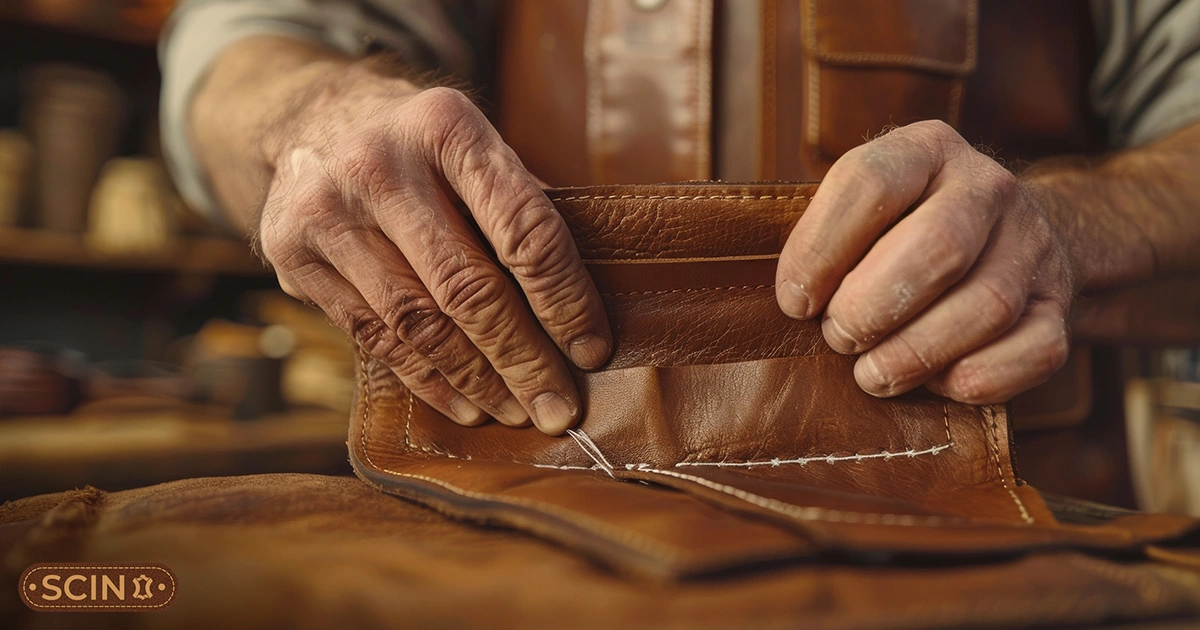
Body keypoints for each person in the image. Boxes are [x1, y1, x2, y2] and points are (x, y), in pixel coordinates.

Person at [160, 0, 1200, 435]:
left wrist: (1070, 224)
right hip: (531, 523)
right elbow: (240, 54)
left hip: (1013, 546)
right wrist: (311, 113)